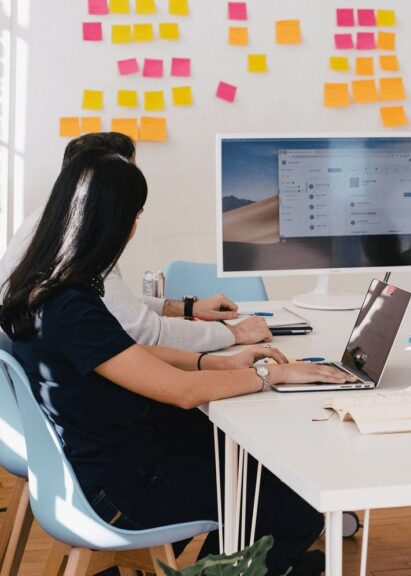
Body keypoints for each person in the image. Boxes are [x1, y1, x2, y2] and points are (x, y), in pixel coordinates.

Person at [0, 151, 357, 575]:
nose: (135, 228)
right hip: (121, 490)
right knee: (295, 508)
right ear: (113, 222)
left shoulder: (40, 289)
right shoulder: (72, 305)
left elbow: (122, 354)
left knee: (243, 467)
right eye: (136, 215)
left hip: (95, 468)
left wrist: (214, 364)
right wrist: (272, 374)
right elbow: (182, 393)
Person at [0, 132, 270, 352]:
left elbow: (111, 302)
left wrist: (188, 308)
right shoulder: (74, 244)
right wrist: (233, 334)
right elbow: (146, 332)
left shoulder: (49, 224)